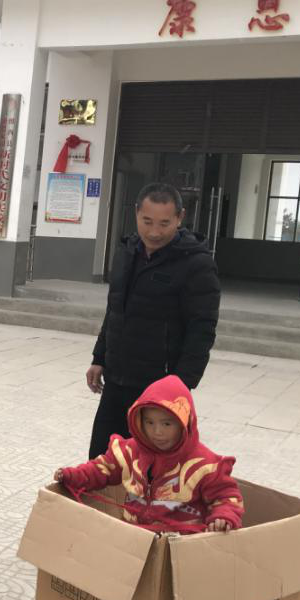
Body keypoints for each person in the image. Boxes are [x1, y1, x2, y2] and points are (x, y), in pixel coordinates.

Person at [87, 183, 220, 460]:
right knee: (103, 460)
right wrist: (99, 357)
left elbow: (202, 329)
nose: (154, 232)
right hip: (117, 378)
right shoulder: (127, 252)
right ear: (136, 213)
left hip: (158, 388)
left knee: (150, 467)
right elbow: (115, 310)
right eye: (147, 222)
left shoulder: (196, 264)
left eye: (164, 223)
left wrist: (180, 385)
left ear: (180, 218)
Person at [56, 375, 244, 533]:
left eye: (167, 424)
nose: (157, 432)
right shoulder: (130, 451)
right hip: (134, 537)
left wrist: (223, 516)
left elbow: (226, 496)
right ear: (139, 421)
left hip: (179, 547)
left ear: (185, 423)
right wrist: (73, 475)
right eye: (149, 422)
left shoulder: (204, 464)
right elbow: (101, 469)